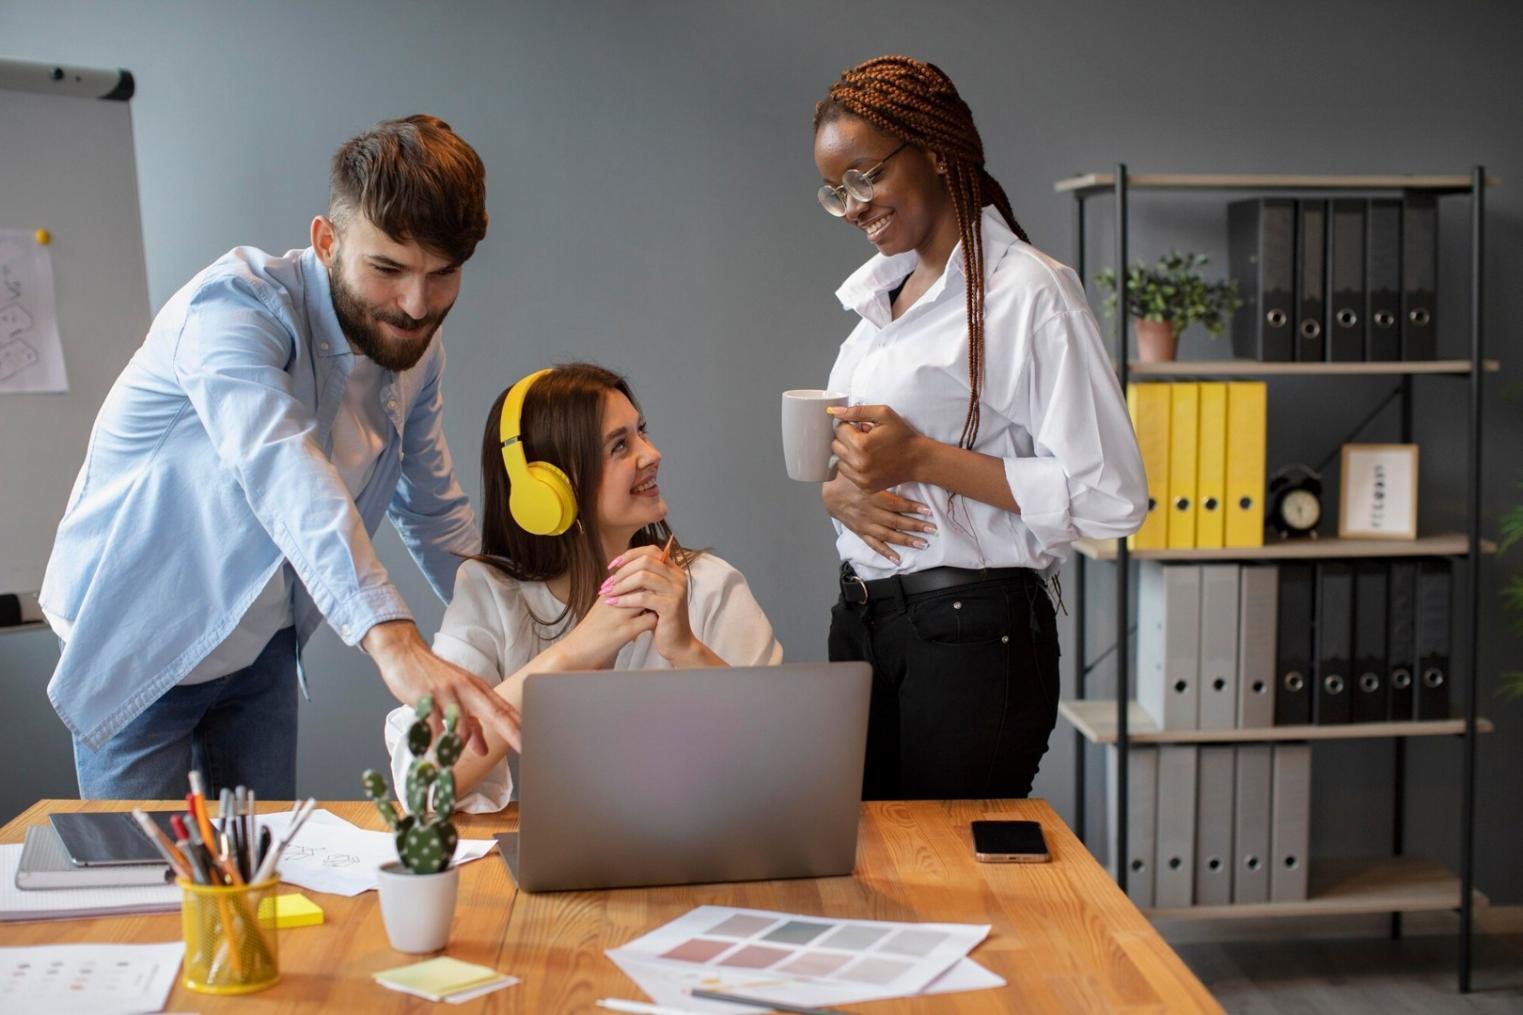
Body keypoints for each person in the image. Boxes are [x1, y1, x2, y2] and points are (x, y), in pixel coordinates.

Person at [41, 115, 520, 800]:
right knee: (141, 891)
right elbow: (283, 468)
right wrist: (394, 640)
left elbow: (434, 509)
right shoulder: (231, 308)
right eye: (387, 268)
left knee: (261, 873)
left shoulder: (415, 349)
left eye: (442, 275)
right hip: (137, 629)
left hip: (260, 639)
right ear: (327, 241)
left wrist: (520, 625)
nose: (416, 305)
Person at [811, 56, 1147, 800]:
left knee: (949, 873)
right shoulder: (879, 302)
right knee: (869, 870)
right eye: (836, 192)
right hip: (864, 622)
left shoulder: (1026, 292)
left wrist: (924, 457)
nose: (854, 206)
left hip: (970, 631)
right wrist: (838, 493)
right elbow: (860, 457)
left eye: (865, 177)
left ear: (934, 149)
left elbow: (1112, 499)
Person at [383, 363, 782, 810]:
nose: (651, 454)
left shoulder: (710, 586)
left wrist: (687, 649)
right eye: (620, 445)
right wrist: (575, 652)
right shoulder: (487, 593)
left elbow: (784, 768)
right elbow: (423, 784)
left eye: (642, 432)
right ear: (546, 490)